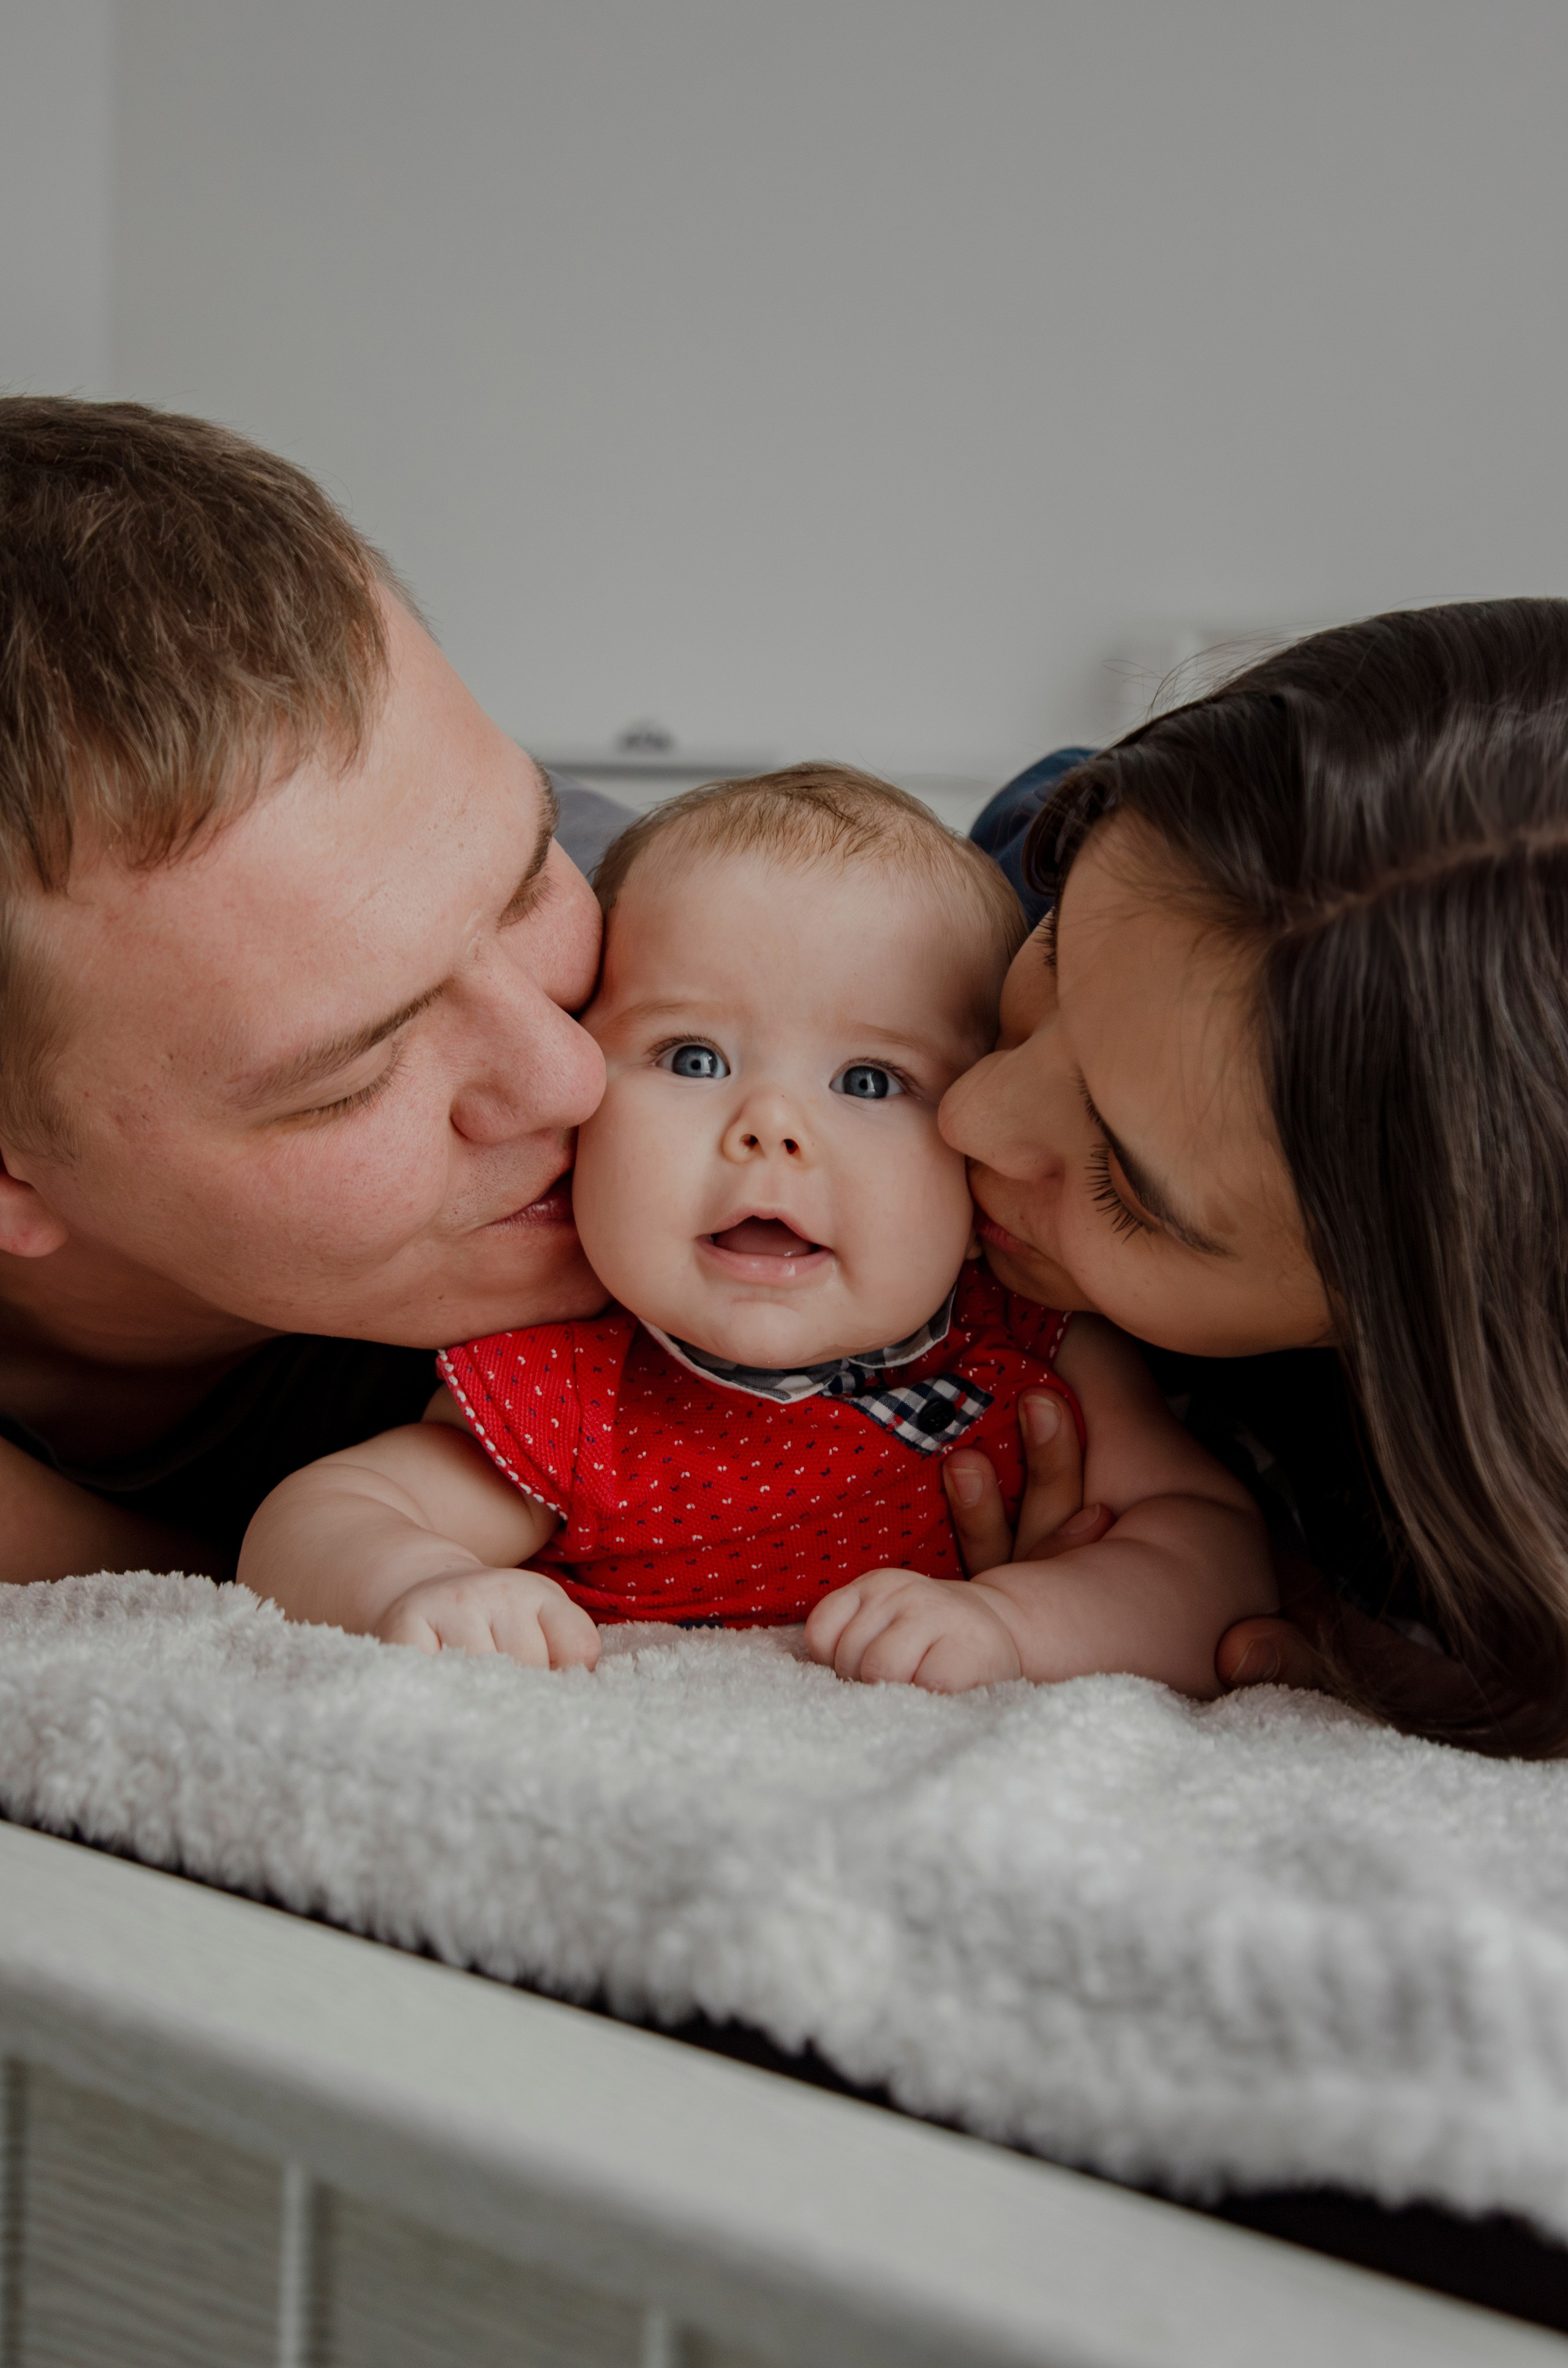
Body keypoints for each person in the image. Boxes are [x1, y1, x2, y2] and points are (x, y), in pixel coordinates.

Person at [239, 766, 1273, 1693]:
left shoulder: (1035, 1350)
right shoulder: (581, 1393)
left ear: (977, 1163)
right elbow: (326, 1514)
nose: (770, 1127)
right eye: (694, 1058)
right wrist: (416, 1581)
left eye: (869, 1081)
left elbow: (1213, 1553)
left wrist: (1019, 1623)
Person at [943, 598, 1568, 1753]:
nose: (966, 1114)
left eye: (1127, 1187)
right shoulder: (1033, 879)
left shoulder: (1463, 1541)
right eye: (1056, 954)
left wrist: (1274, 1596)